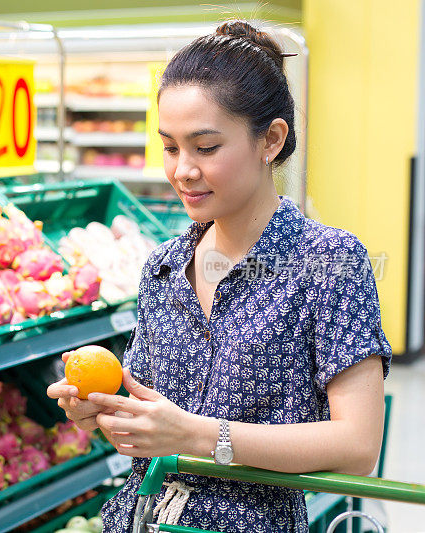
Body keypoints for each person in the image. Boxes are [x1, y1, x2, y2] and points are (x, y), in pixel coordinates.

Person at [47, 20, 392, 533]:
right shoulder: (164, 265)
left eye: (205, 148)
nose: (182, 170)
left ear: (270, 140)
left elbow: (357, 447)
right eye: (170, 147)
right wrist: (103, 411)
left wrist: (197, 437)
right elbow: (155, 418)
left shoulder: (328, 261)